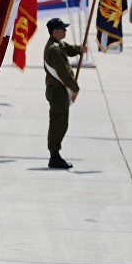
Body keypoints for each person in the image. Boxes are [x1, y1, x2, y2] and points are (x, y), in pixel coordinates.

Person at [43, 18, 84, 169]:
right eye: (63, 29)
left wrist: (79, 49)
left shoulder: (57, 45)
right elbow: (63, 72)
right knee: (58, 124)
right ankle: (54, 156)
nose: (65, 31)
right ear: (55, 32)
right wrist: (75, 88)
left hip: (58, 92)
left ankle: (55, 154)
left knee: (61, 122)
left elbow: (68, 48)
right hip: (57, 92)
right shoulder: (53, 50)